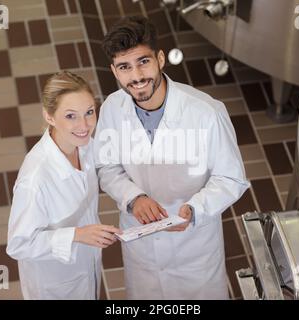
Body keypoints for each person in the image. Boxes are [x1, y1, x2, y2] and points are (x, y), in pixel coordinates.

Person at [93, 16, 250, 299]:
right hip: (142, 249)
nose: (137, 76)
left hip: (194, 248)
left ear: (160, 59)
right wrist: (133, 197)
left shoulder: (206, 112)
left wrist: (196, 209)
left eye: (143, 62)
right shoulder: (112, 109)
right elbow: (107, 166)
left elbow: (232, 178)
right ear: (114, 71)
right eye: (125, 67)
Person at [6, 71, 121, 300]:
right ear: (49, 117)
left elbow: (109, 166)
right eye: (71, 116)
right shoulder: (36, 178)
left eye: (89, 112)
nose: (84, 125)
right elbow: (19, 244)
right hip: (55, 285)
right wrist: (77, 235)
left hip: (84, 267)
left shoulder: (84, 144)